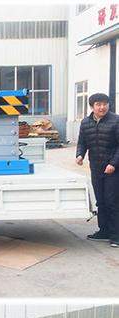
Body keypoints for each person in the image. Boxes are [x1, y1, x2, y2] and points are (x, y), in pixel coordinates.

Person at [75, 92, 119, 247]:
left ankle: (116, 236)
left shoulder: (116, 120)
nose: (102, 107)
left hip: (114, 168)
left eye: (105, 104)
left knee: (112, 201)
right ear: (92, 107)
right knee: (100, 201)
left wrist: (113, 164)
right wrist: (80, 155)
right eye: (98, 104)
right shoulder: (85, 122)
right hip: (96, 167)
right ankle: (104, 231)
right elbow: (82, 142)